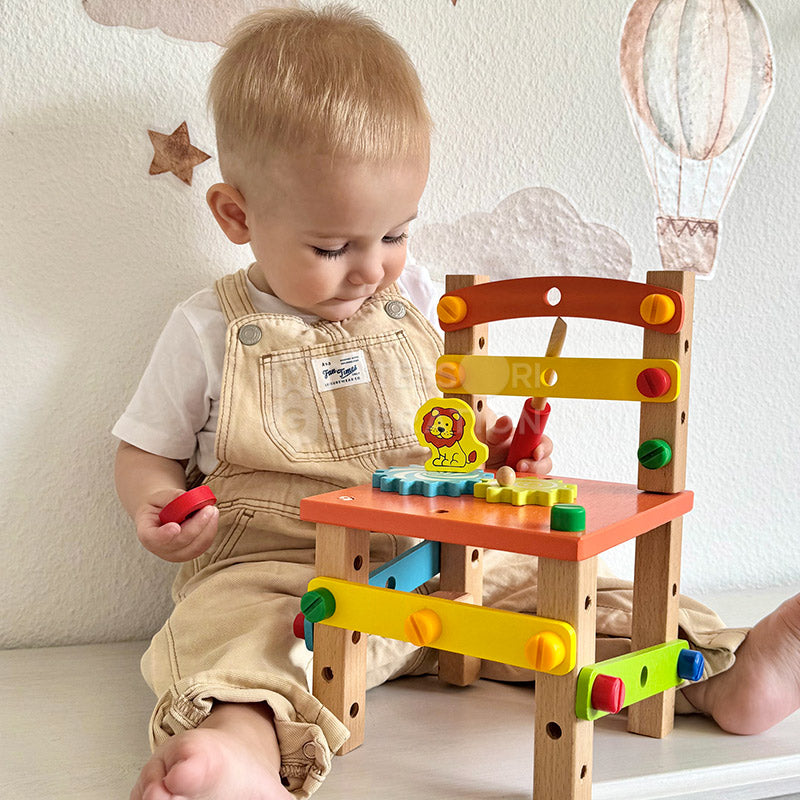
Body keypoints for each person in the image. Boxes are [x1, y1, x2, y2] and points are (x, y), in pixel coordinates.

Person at [113, 6, 800, 800]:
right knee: (232, 640)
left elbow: (449, 435)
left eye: (396, 234)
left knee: (571, 600)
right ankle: (241, 751)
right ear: (238, 215)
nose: (373, 270)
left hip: (448, 561)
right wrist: (157, 504)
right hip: (287, 570)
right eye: (333, 247)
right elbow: (145, 451)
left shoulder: (417, 309)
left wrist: (502, 455)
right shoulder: (210, 327)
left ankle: (719, 672)